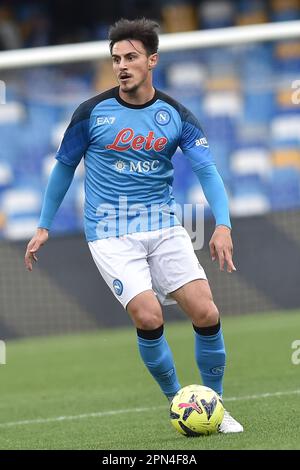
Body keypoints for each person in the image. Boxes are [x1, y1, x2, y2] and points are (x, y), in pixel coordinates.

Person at [25, 18, 243, 433]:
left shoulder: (177, 115)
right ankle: (179, 401)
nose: (121, 65)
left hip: (163, 225)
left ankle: (215, 405)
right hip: (109, 231)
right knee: (149, 317)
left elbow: (208, 172)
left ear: (152, 60)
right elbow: (63, 168)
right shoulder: (91, 113)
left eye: (130, 57)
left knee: (206, 310)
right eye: (116, 59)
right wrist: (43, 226)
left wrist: (224, 225)